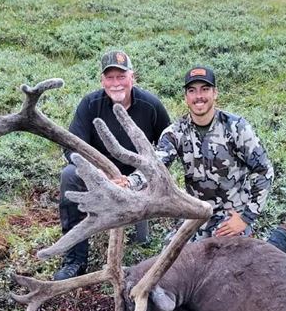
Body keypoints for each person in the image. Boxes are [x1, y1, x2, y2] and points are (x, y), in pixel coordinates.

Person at [116, 65, 274, 242]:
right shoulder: (175, 133)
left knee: (231, 257)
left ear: (215, 93)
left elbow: (264, 170)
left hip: (230, 218)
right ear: (186, 97)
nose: (199, 96)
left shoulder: (237, 128)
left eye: (205, 89)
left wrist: (246, 218)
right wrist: (129, 183)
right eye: (192, 91)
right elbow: (155, 166)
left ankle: (279, 239)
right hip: (195, 215)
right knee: (170, 254)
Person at [53, 50, 171, 280]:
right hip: (99, 174)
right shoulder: (90, 104)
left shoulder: (151, 105)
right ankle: (75, 259)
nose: (116, 83)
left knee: (140, 244)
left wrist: (138, 178)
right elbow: (71, 146)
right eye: (110, 77)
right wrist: (96, 173)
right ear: (102, 80)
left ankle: (140, 252)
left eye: (121, 76)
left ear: (132, 77)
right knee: (70, 175)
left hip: (137, 178)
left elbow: (168, 146)